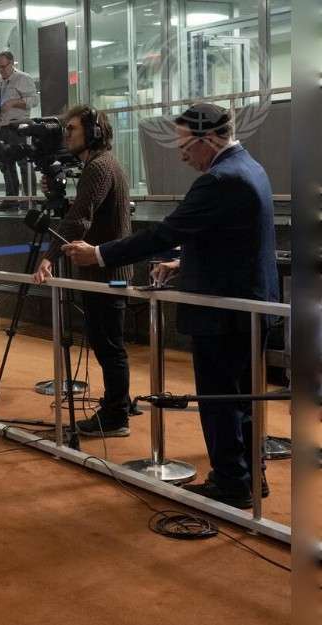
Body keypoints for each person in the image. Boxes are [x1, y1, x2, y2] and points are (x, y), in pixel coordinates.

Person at [63, 103, 279, 509]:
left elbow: (165, 233)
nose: (181, 156)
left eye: (184, 146)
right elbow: (233, 239)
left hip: (223, 314)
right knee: (243, 402)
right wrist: (184, 263)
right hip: (249, 306)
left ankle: (232, 484)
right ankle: (251, 476)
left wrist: (99, 254)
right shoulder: (250, 167)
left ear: (208, 139)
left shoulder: (219, 179)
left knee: (220, 402)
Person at [32, 105, 134, 437]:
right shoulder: (98, 165)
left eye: (72, 129)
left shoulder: (100, 167)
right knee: (107, 345)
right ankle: (119, 404)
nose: (66, 135)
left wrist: (48, 255)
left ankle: (116, 416)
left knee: (108, 346)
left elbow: (79, 218)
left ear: (93, 132)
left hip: (108, 272)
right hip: (103, 270)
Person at [0, 51, 39, 213]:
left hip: (19, 125)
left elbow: (34, 100)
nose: (1, 70)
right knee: (5, 162)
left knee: (24, 162)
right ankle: (11, 199)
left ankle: (29, 199)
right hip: (3, 126)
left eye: (4, 66)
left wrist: (14, 102)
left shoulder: (23, 78)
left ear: (12, 64)